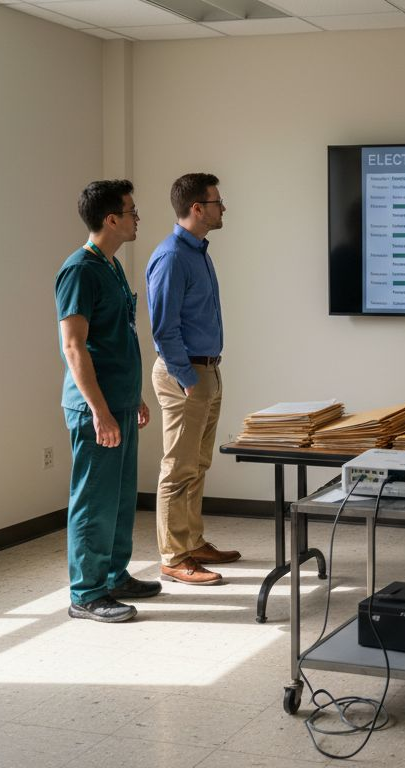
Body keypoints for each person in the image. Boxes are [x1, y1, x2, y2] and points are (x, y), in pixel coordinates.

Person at [56, 179, 160, 622]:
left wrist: (132, 395)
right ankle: (86, 592)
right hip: (94, 408)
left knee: (119, 498)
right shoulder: (79, 270)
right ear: (112, 218)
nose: (138, 218)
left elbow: (118, 338)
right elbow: (74, 347)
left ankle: (115, 575)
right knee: (93, 501)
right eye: (133, 211)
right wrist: (100, 410)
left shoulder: (112, 266)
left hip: (119, 401)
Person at [146, 172, 239, 586]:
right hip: (184, 373)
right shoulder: (171, 256)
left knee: (198, 464)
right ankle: (173, 556)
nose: (224, 208)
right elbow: (163, 328)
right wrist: (187, 378)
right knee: (178, 467)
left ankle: (193, 541)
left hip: (207, 369)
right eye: (217, 202)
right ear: (197, 209)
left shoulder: (198, 251)